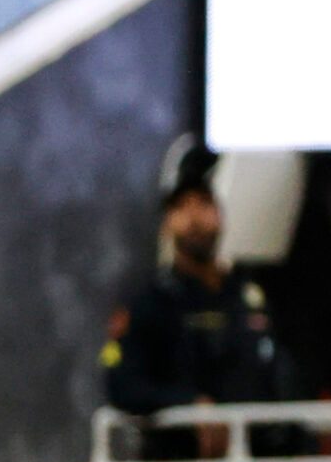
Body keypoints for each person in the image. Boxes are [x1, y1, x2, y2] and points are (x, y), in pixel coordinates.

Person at [103, 149, 294, 440]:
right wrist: (188, 405)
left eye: (204, 204)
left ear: (221, 213)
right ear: (168, 221)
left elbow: (281, 379)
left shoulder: (251, 298)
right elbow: (122, 386)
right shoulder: (150, 303)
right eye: (181, 207)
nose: (194, 218)